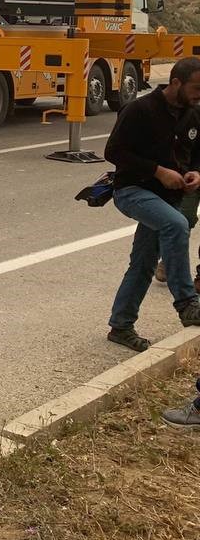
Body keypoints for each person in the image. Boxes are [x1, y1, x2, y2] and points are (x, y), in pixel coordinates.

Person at [104, 56, 200, 351]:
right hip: (132, 190)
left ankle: (120, 326)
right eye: (196, 88)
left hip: (166, 197)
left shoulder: (193, 114)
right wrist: (157, 171)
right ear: (176, 83)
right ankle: (186, 302)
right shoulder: (140, 109)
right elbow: (114, 152)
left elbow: (196, 152)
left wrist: (196, 172)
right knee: (177, 224)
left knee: (143, 264)